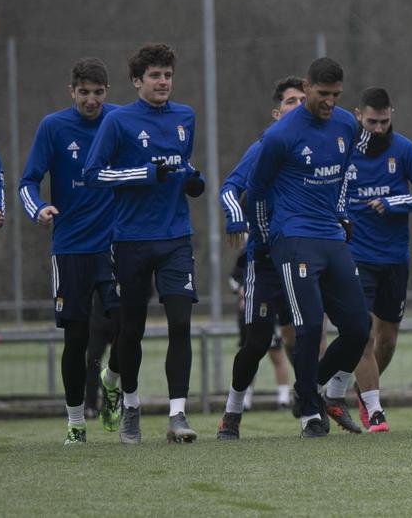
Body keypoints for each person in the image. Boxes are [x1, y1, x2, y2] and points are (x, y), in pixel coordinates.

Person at [83, 43, 205, 444]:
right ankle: (131, 407)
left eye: (167, 75)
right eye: (155, 76)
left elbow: (182, 170)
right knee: (130, 330)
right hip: (132, 240)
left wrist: (192, 179)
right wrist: (143, 173)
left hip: (175, 238)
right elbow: (94, 174)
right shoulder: (118, 122)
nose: (163, 82)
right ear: (137, 81)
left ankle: (177, 416)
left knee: (181, 323)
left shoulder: (185, 116)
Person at [245, 57, 371, 438]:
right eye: (322, 94)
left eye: (336, 95)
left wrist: (342, 213)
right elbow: (255, 191)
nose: (329, 102)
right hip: (294, 238)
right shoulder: (281, 135)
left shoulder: (347, 125)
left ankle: (314, 391)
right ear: (307, 86)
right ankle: (310, 417)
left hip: (331, 237)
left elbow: (346, 174)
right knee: (310, 325)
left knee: (357, 327)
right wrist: (266, 236)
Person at [18, 57, 124, 444]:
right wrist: (39, 208)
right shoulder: (54, 127)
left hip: (115, 244)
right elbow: (28, 181)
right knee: (76, 339)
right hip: (70, 247)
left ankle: (111, 380)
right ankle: (76, 423)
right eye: (84, 93)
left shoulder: (120, 121)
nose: (91, 101)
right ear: (72, 92)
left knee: (126, 325)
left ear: (107, 92)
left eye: (98, 93)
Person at [216, 76, 306, 440]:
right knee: (255, 343)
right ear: (277, 112)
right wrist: (236, 216)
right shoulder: (263, 149)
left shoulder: (317, 148)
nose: (297, 106)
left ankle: (311, 410)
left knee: (308, 336)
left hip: (302, 259)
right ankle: (232, 412)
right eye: (290, 101)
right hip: (265, 261)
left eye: (303, 99)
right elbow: (229, 188)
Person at [346, 87, 412, 432]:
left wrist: (396, 203)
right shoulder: (345, 150)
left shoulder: (404, 149)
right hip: (356, 256)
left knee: (388, 338)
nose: (378, 128)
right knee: (361, 334)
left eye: (384, 121)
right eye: (371, 122)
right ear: (358, 116)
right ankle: (374, 407)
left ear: (391, 114)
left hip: (394, 258)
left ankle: (363, 387)